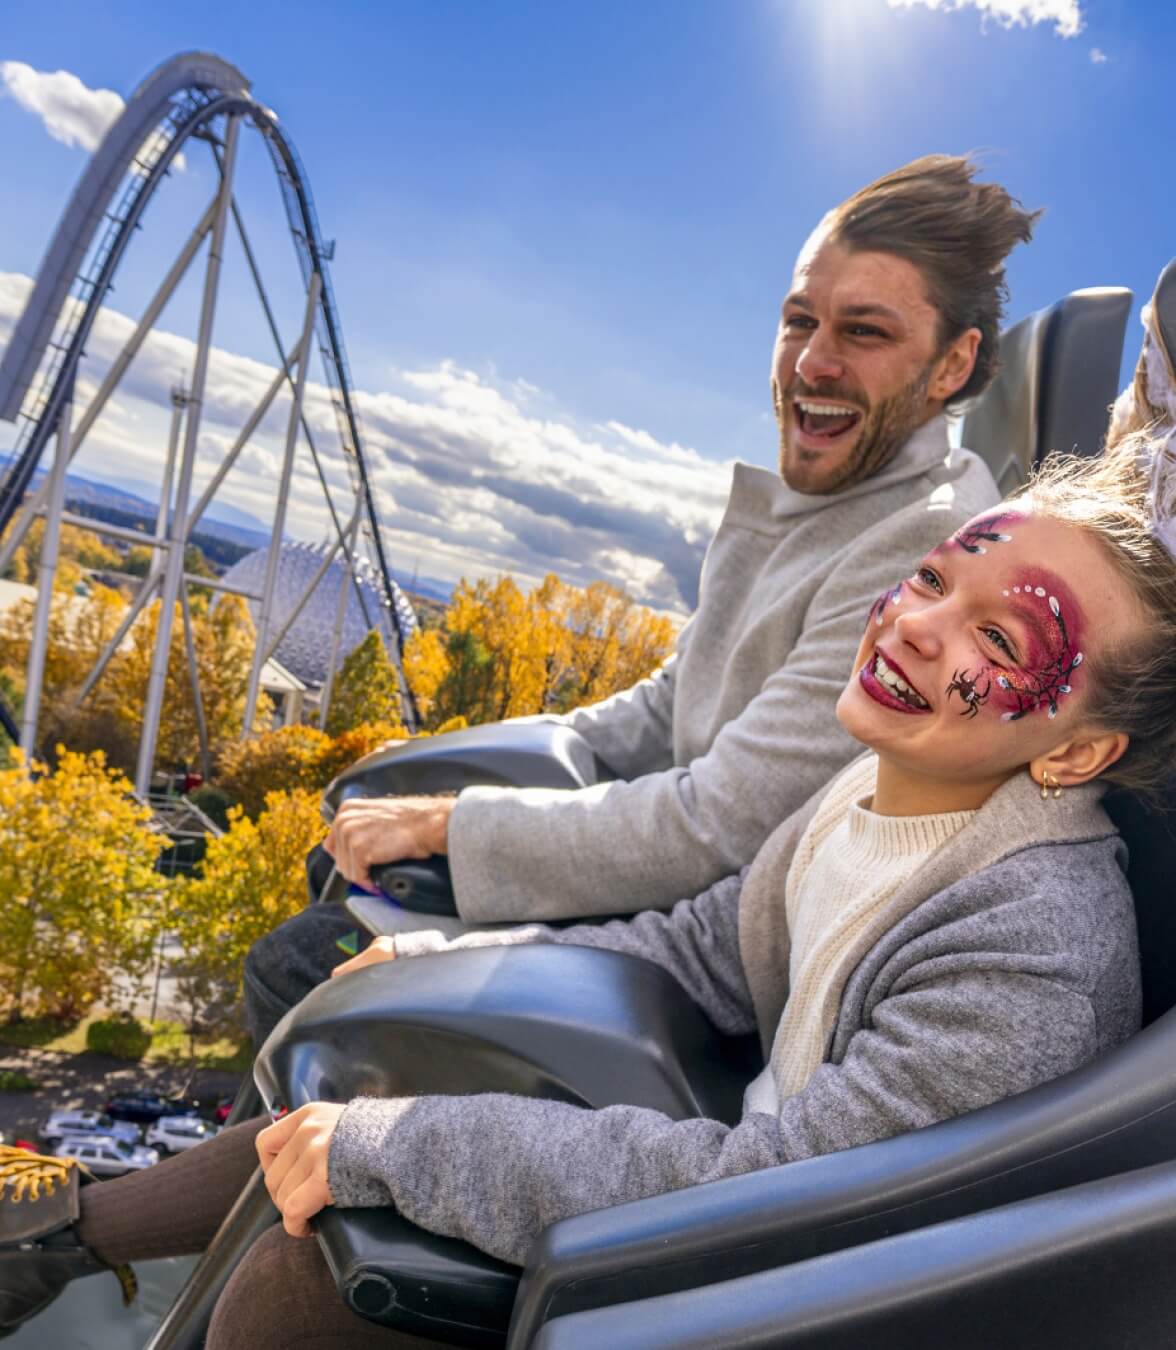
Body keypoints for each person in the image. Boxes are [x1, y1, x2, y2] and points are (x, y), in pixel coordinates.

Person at [6, 426, 1176, 1346]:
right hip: (744, 1167)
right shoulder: (877, 790)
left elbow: (786, 1192)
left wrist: (403, 1147)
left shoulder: (1031, 949)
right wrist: (444, 958)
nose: (919, 625)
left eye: (1005, 643)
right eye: (931, 579)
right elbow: (711, 945)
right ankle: (48, 1240)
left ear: (1076, 753)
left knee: (298, 1281)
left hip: (765, 1277)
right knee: (367, 1076)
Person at [244, 154, 1032, 1044]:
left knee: (307, 968)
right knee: (343, 847)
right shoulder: (829, 499)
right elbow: (669, 705)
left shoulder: (923, 546)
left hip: (713, 952)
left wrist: (455, 825)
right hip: (680, 884)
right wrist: (449, 768)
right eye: (798, 319)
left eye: (865, 333)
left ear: (950, 364)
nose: (813, 362)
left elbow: (723, 821)